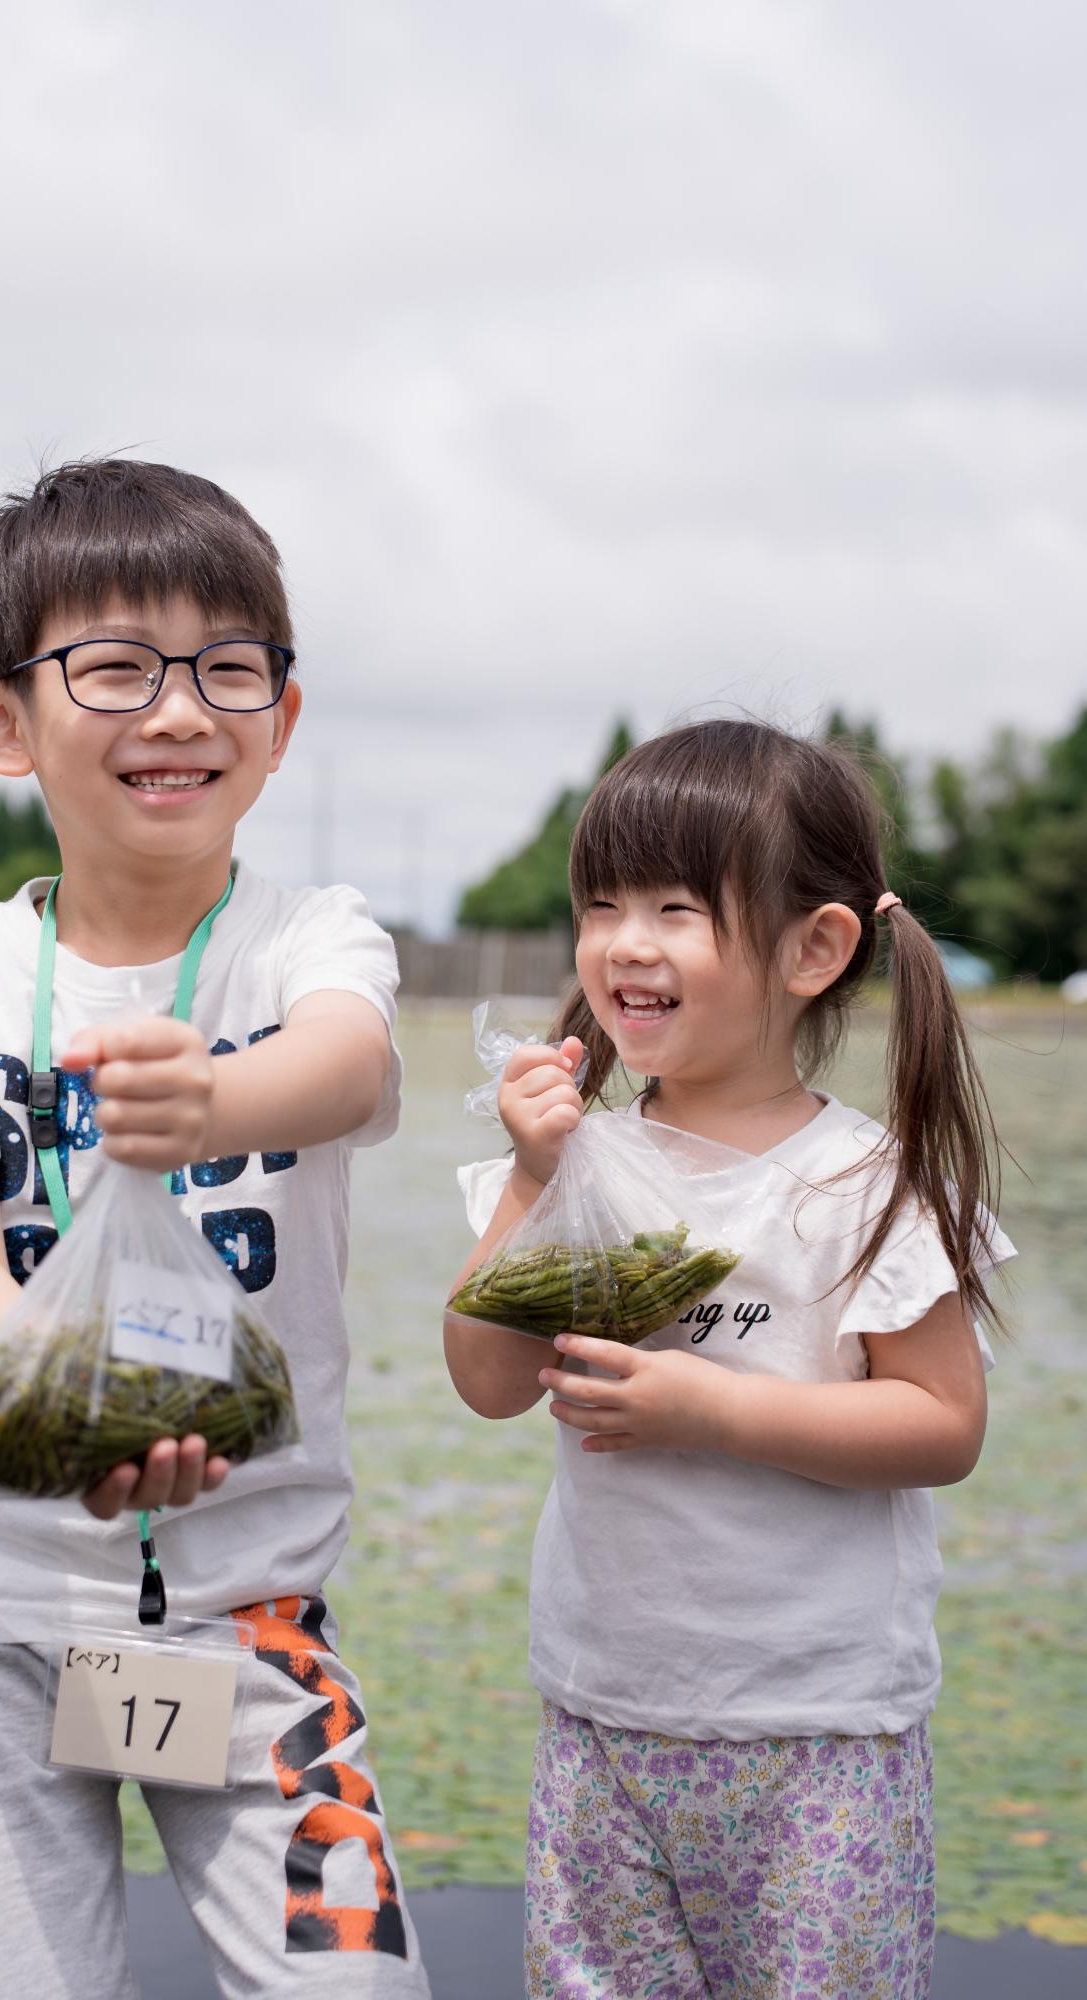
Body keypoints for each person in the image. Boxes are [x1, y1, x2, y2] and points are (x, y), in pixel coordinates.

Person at [0, 458, 431, 1998]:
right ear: (2, 721)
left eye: (226, 670)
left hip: (252, 1608)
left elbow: (349, 1064)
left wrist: (217, 1104)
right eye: (115, 669)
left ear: (281, 721)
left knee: (352, 1981)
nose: (179, 711)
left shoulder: (311, 938)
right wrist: (78, 1416)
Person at [444, 718, 1013, 2000]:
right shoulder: (576, 1163)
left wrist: (717, 1407)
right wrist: (535, 1177)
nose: (623, 943)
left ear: (815, 948)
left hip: (815, 1730)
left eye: (676, 908)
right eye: (600, 904)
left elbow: (941, 1421)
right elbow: (483, 1379)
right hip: (603, 1713)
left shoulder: (863, 1180)